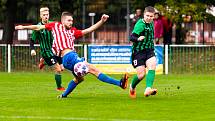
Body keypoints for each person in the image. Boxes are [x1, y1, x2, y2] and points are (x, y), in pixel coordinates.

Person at [15, 12, 128, 98]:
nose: (71, 22)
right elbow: (38, 27)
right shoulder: (55, 26)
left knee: (79, 79)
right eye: (69, 20)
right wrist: (23, 27)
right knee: (93, 70)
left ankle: (63, 95)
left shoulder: (73, 31)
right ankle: (120, 83)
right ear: (63, 21)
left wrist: (101, 21)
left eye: (72, 21)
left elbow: (88, 30)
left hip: (68, 59)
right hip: (69, 57)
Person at [28, 7, 65, 91]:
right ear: (40, 16)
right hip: (46, 52)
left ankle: (43, 61)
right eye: (44, 15)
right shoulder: (37, 27)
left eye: (47, 14)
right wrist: (32, 49)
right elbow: (32, 40)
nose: (46, 16)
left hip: (55, 50)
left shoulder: (53, 24)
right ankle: (59, 87)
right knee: (58, 69)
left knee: (62, 68)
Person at [129, 6, 157, 98]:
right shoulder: (140, 24)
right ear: (144, 15)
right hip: (138, 52)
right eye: (147, 16)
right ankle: (132, 87)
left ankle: (148, 88)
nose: (149, 18)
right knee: (141, 75)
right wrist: (138, 38)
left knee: (152, 66)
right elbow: (131, 37)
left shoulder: (151, 23)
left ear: (153, 16)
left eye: (151, 16)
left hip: (149, 50)